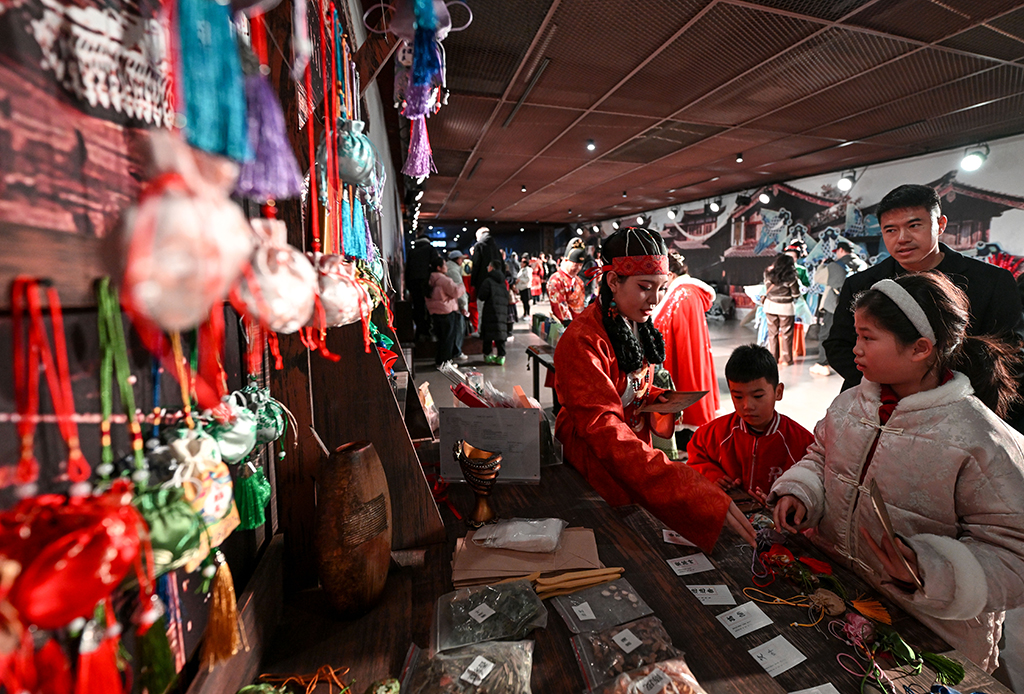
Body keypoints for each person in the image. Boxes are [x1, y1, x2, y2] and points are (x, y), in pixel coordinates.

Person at [770, 272, 1024, 673]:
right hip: (843, 599)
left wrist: (931, 570)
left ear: (920, 348)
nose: (854, 349)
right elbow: (821, 456)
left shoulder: (980, 439)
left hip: (931, 636)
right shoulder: (850, 404)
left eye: (868, 338)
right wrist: (802, 491)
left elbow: (1014, 552)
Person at [554, 227, 756, 553]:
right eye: (645, 288)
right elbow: (603, 430)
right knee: (614, 544)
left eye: (661, 288)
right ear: (613, 282)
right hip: (599, 460)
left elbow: (632, 387)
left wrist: (659, 399)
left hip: (634, 449)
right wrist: (683, 485)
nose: (655, 300)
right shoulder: (583, 340)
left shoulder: (634, 322)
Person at [824, 184, 1023, 391]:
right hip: (878, 402)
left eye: (914, 226)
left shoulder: (991, 281)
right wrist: (885, 385)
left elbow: (1007, 350)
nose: (902, 238)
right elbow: (839, 345)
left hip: (963, 401)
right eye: (890, 230)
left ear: (940, 224)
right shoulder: (862, 284)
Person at [687, 344, 814, 499]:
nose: (747, 406)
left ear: (778, 392)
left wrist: (785, 499)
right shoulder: (711, 435)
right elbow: (696, 461)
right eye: (738, 397)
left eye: (758, 396)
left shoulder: (802, 443)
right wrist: (712, 477)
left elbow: (813, 484)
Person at [652, 253, 720, 435]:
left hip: (684, 355)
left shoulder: (684, 294)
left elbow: (673, 327)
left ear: (671, 275)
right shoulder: (684, 292)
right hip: (688, 351)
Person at [811, 241, 866, 377]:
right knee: (855, 334)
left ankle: (822, 364)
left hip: (834, 306)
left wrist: (823, 264)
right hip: (858, 307)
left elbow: (818, 278)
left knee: (826, 334)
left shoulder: (835, 266)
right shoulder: (864, 266)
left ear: (841, 250)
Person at [425, 255, 465, 367]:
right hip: (446, 312)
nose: (446, 266)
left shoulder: (430, 279)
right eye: (444, 264)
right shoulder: (443, 279)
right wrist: (462, 286)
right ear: (438, 267)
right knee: (448, 339)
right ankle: (446, 363)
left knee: (441, 339)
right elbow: (455, 292)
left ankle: (440, 361)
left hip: (435, 312)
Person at [763, 253, 802, 366]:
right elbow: (796, 294)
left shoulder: (768, 274)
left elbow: (767, 288)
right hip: (786, 308)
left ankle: (773, 359)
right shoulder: (791, 277)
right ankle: (786, 359)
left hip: (770, 306)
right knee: (786, 334)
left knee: (772, 334)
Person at [478, 259, 510, 365]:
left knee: (489, 333)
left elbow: (482, 296)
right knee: (500, 333)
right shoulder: (502, 282)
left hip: (490, 310)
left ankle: (488, 355)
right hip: (502, 311)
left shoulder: (488, 281)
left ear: (492, 267)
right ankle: (501, 356)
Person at [405, 233, 435, 340]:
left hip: (414, 284)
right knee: (430, 306)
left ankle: (420, 331)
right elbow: (435, 264)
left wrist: (408, 286)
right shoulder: (430, 249)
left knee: (418, 307)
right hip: (427, 283)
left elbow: (407, 270)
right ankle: (429, 331)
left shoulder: (412, 252)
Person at [547, 248, 586, 325]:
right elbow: (559, 304)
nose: (578, 268)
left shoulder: (579, 281)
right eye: (575, 265)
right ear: (566, 261)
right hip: (566, 324)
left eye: (580, 265)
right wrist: (568, 322)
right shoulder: (556, 280)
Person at [446, 250, 470, 363]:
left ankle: (456, 351)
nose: (462, 261)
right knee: (458, 329)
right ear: (456, 259)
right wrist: (463, 305)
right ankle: (457, 352)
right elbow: (459, 290)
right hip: (455, 306)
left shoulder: (452, 268)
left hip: (452, 305)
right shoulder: (453, 271)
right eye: (461, 259)